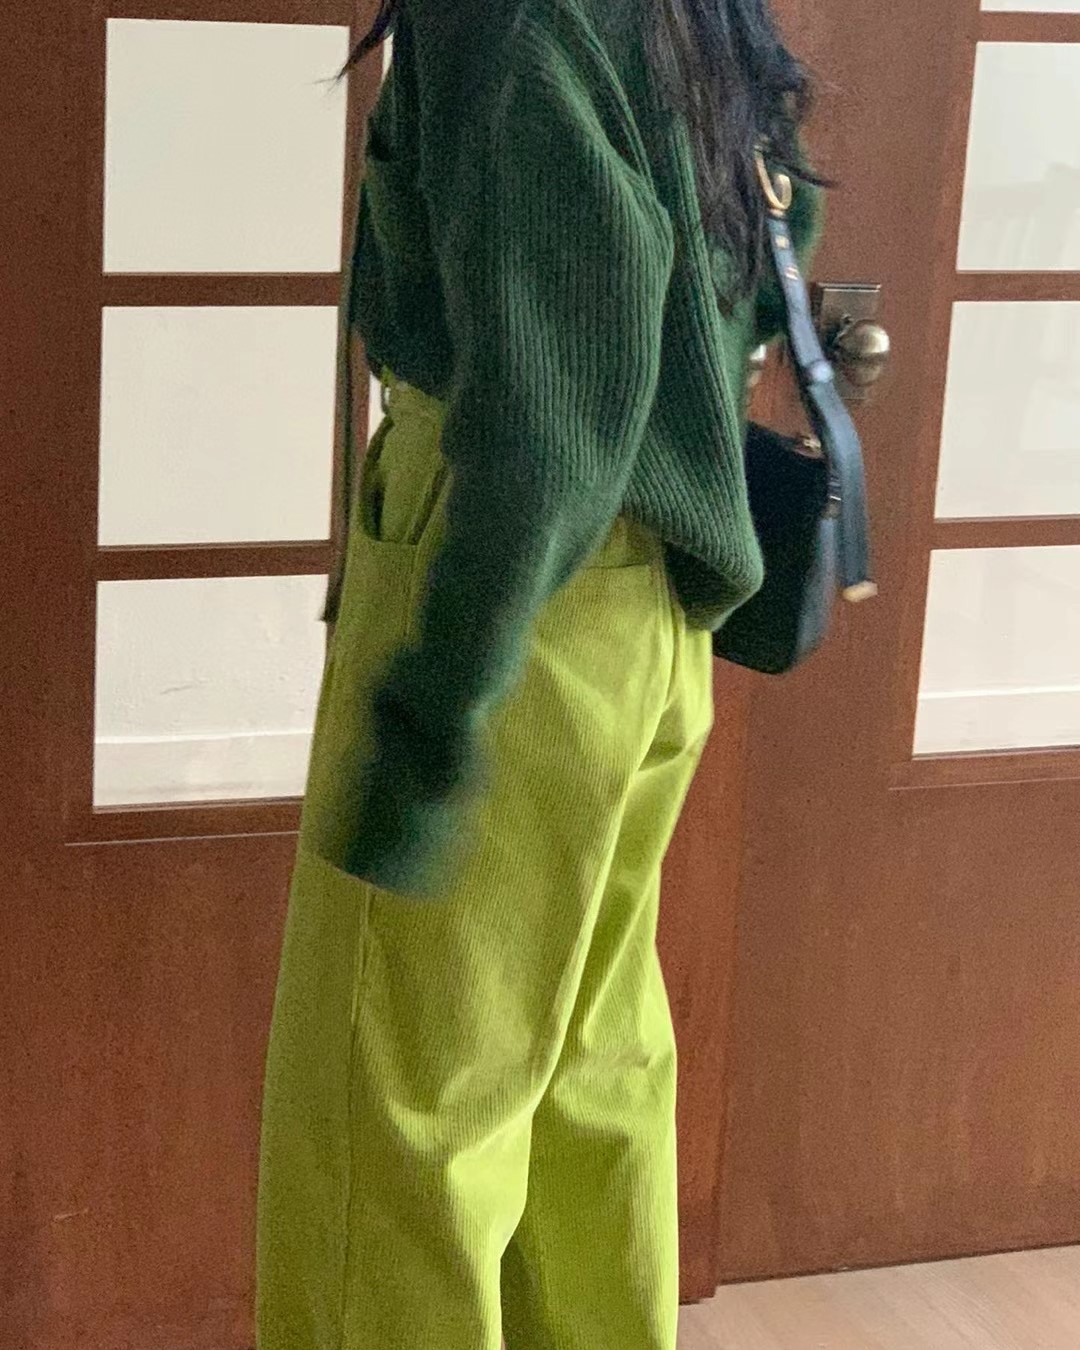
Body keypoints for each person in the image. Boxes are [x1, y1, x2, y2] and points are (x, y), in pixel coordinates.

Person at [256, 1, 820, 1346]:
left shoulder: (501, 16)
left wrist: (432, 721)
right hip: (644, 621)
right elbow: (782, 226)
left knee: (399, 1125)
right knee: (588, 1081)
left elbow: (548, 425)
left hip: (508, 594)